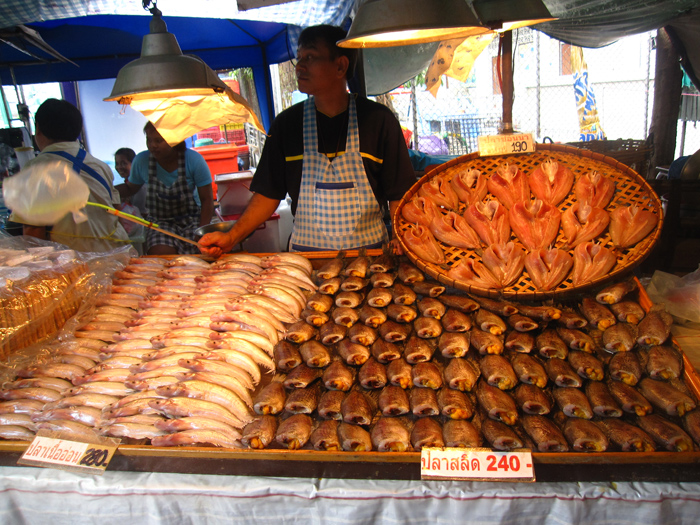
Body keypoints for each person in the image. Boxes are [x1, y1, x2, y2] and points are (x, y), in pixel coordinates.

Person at [199, 24, 415, 257]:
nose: (300, 67)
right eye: (299, 58)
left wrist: (402, 240)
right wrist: (231, 236)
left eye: (310, 57)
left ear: (340, 65)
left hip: (372, 262)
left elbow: (400, 196)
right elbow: (268, 195)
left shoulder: (378, 121)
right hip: (306, 261)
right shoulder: (287, 125)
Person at [12, 98, 130, 252]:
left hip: (73, 262)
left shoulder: (34, 170)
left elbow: (33, 234)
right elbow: (116, 211)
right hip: (117, 253)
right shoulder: (99, 166)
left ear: (38, 129)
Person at [118, 122, 214, 255]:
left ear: (174, 140)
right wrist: (104, 189)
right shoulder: (141, 161)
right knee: (162, 258)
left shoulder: (194, 160)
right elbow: (130, 189)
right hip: (160, 224)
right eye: (149, 140)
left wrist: (201, 231)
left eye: (158, 140)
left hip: (191, 221)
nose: (152, 145)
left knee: (197, 260)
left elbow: (207, 200)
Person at [114, 147, 147, 218]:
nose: (119, 167)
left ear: (134, 164)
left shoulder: (141, 187)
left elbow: (143, 213)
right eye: (117, 163)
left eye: (123, 163)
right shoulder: (126, 184)